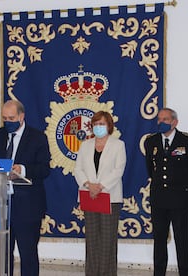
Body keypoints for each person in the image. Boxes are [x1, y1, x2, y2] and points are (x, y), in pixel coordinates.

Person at [0, 100, 50, 276]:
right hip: (0, 205)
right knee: (2, 254)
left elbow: (44, 168)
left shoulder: (38, 138)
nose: (8, 122)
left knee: (27, 254)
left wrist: (22, 170)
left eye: (11, 118)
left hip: (28, 206)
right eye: (4, 118)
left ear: (22, 117)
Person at [144, 108, 188, 276]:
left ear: (175, 122)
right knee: (159, 241)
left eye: (166, 119)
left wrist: (181, 186)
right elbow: (150, 169)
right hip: (159, 199)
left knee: (182, 241)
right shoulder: (151, 141)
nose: (161, 122)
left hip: (180, 199)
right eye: (159, 119)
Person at [74, 111, 127, 276]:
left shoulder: (118, 145)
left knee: (107, 241)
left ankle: (106, 273)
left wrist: (100, 186)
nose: (98, 127)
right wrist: (88, 185)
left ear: (109, 126)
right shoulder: (85, 145)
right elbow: (78, 169)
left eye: (102, 124)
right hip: (89, 195)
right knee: (92, 240)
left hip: (109, 197)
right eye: (95, 124)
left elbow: (118, 170)